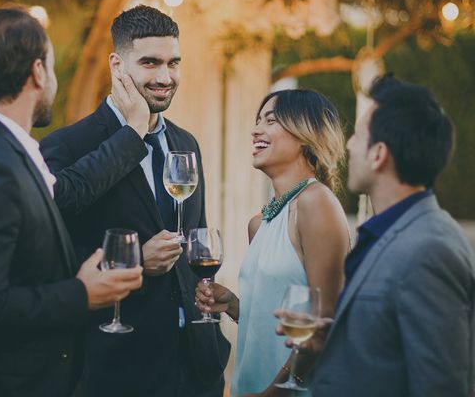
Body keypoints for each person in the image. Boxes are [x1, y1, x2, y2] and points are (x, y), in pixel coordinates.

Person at [0, 6, 146, 397]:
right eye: (54, 70)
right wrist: (82, 293)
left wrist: (133, 132)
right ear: (39, 72)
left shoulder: (8, 150)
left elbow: (65, 192)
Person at [41, 5, 230, 397]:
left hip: (194, 369)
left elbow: (196, 243)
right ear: (117, 64)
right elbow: (51, 258)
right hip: (114, 367)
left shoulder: (185, 143)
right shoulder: (68, 146)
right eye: (150, 63)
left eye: (173, 63)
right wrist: (136, 261)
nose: (165, 77)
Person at [309, 75, 475, 397]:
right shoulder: (388, 232)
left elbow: (440, 388)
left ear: (378, 154)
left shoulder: (430, 249)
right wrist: (331, 337)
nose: (348, 145)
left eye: (357, 135)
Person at [195, 89, 350, 396]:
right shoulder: (260, 222)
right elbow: (275, 325)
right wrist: (234, 306)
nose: (256, 130)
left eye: (271, 120)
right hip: (250, 387)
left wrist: (274, 393)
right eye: (257, 121)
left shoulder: (316, 203)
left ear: (306, 133)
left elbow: (326, 327)